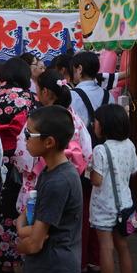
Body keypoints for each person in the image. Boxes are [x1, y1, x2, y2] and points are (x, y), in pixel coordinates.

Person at [17, 105, 82, 273]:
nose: (24, 138)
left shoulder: (58, 182)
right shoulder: (51, 171)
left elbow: (36, 242)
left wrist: (21, 235)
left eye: (29, 134)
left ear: (49, 142)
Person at [0, 57, 38, 273]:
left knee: (5, 209)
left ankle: (7, 262)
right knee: (28, 208)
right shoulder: (31, 100)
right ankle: (28, 256)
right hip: (26, 160)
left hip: (1, 160)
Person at [14, 70, 92, 216]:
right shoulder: (73, 117)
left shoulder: (39, 119)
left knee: (38, 218)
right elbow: (87, 152)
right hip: (69, 176)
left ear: (45, 92)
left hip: (39, 176)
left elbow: (22, 152)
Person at [70, 51, 114, 273]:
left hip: (83, 160)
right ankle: (98, 260)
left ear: (78, 69)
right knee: (102, 208)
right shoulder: (109, 96)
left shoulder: (72, 96)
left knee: (83, 210)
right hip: (106, 157)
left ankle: (82, 262)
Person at [88, 104, 137, 273]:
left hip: (104, 207)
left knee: (106, 248)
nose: (94, 125)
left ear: (104, 126)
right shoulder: (129, 145)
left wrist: (88, 169)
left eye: (96, 122)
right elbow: (134, 170)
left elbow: (97, 180)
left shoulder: (100, 149)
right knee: (123, 247)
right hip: (125, 206)